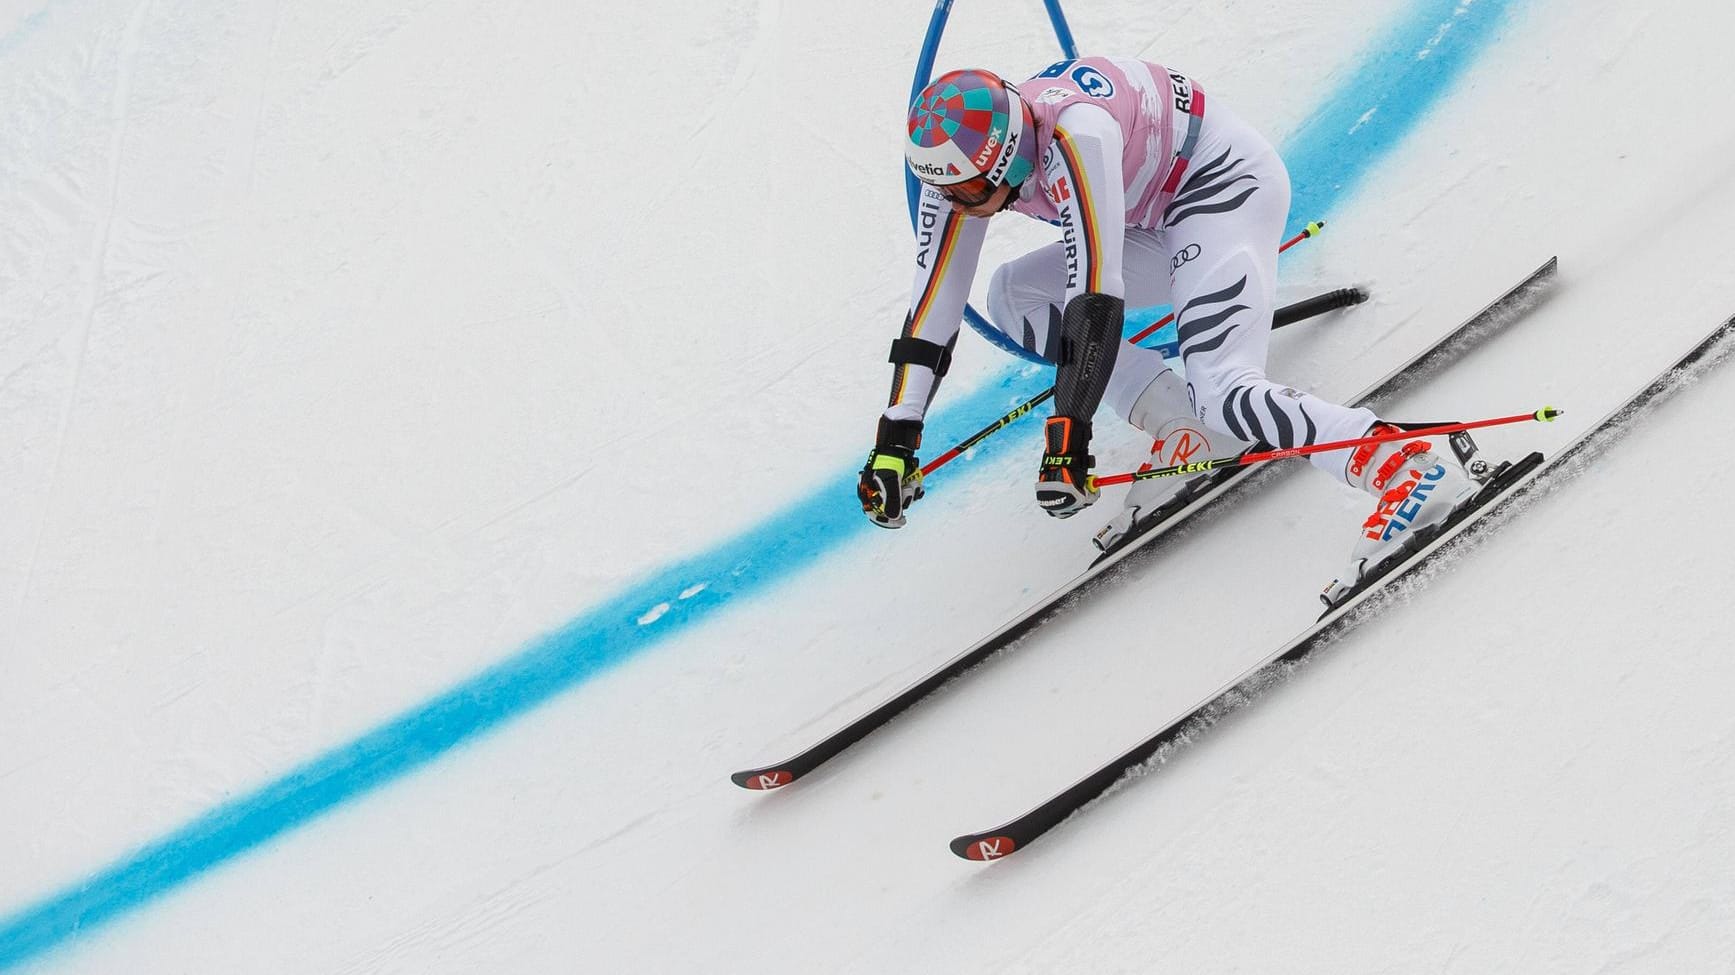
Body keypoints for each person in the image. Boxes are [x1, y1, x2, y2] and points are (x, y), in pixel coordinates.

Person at [855, 57, 1483, 596]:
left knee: (1224, 387)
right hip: (1150, 216)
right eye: (942, 188)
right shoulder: (961, 171)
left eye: (966, 189)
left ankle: (1401, 466)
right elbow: (934, 304)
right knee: (1012, 296)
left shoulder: (1079, 137)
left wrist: (1068, 436)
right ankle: (1188, 430)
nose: (953, 202)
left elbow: (1096, 297)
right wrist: (896, 438)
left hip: (1220, 192)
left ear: (1006, 160)